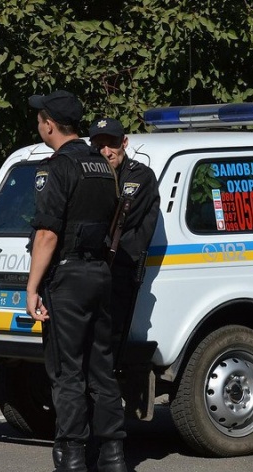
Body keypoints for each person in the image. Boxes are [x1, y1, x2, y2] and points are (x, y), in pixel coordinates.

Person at [25, 90, 129, 472]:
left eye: (40, 119)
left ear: (49, 124)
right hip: (99, 274)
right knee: (100, 368)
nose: (39, 125)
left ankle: (71, 466)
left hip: (67, 277)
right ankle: (113, 460)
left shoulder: (60, 167)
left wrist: (32, 287)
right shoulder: (103, 165)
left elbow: (48, 233)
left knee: (67, 372)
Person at [88, 117, 160, 363]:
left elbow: (119, 220)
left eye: (112, 144)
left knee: (111, 343)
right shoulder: (90, 174)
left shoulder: (140, 175)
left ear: (124, 143)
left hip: (121, 268)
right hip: (93, 268)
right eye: (99, 146)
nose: (106, 152)